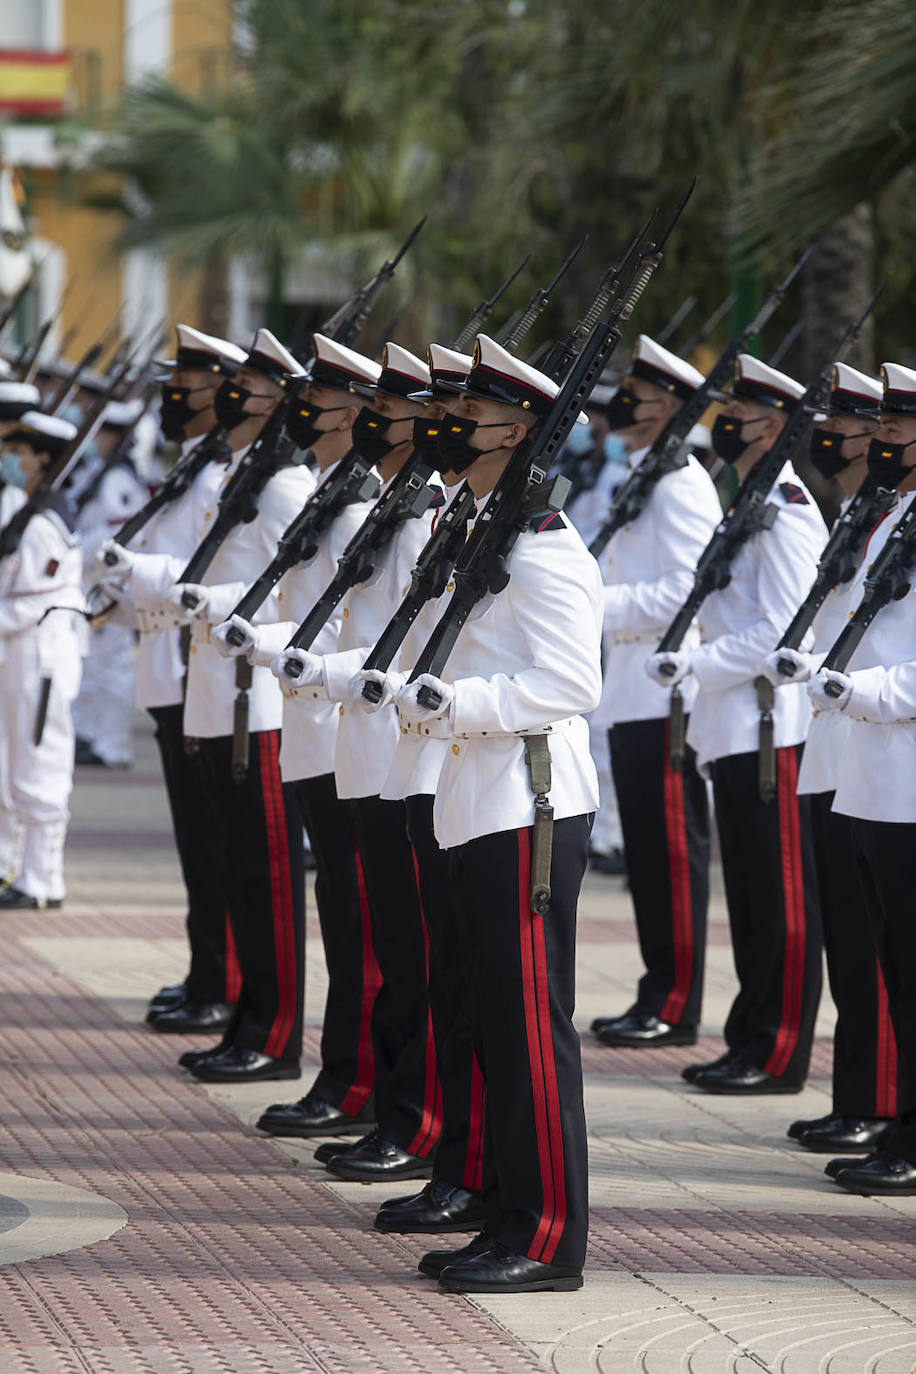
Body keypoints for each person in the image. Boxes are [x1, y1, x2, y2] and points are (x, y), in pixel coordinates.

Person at [387, 333, 603, 1294]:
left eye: (466, 414)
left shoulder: (547, 548)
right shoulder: (486, 527)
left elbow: (570, 681)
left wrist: (454, 706)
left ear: (514, 431)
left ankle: (547, 1235)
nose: (448, 424)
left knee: (528, 1028)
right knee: (483, 1017)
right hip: (476, 798)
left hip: (531, 802)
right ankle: (494, 1204)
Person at [102, 329, 314, 1082]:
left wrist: (193, 596)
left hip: (253, 701)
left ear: (278, 400)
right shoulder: (238, 475)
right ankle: (248, 1018)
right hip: (214, 690)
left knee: (266, 874)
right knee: (234, 866)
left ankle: (275, 1031)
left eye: (246, 389)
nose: (231, 398)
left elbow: (291, 594)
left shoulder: (284, 484)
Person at [272, 343, 446, 1181]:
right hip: (362, 748)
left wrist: (326, 674)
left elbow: (409, 652)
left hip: (399, 752)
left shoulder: (423, 520)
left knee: (406, 954)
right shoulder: (387, 506)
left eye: (388, 408)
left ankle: (406, 1115)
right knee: (369, 934)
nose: (373, 420)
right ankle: (381, 1101)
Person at [211, 333, 383, 1137]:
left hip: (345, 729)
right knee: (341, 911)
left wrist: (272, 645)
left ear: (353, 412)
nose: (301, 410)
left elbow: (359, 629)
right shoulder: (327, 489)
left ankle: (358, 1081)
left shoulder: (362, 509)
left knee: (361, 920)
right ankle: (343, 1075)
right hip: (316, 734)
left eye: (317, 401)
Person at [648, 354, 827, 1095]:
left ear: (776, 424)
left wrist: (697, 662)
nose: (726, 424)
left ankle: (779, 1052)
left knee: (780, 900)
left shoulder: (785, 510)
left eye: (742, 414)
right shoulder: (749, 497)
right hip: (735, 726)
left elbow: (788, 633)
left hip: (768, 730)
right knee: (749, 898)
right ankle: (748, 1038)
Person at [760, 362, 897, 1154]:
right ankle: (860, 1097)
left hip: (870, 746)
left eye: (877, 428)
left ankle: (881, 1104)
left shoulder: (886, 519)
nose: (848, 440)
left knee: (875, 944)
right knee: (848, 939)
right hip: (835, 748)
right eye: (861, 428)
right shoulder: (861, 514)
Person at [103, 324, 247, 1033]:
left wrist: (132, 572)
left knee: (215, 834)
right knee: (197, 836)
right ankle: (205, 972)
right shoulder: (193, 462)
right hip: (169, 666)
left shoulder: (221, 474)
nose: (171, 394)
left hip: (200, 665)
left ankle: (222, 980)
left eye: (183, 384)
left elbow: (205, 574)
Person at [590, 336, 720, 1049]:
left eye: (634, 393)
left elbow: (687, 590)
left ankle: (675, 1003)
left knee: (671, 853)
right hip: (634, 685)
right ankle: (655, 989)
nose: (620, 403)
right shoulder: (647, 473)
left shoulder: (680, 483)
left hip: (666, 688)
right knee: (645, 853)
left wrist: (596, 603)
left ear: (665, 404)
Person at [807, 360, 916, 1196]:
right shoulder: (890, 516)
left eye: (895, 429)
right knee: (891, 960)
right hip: (877, 777)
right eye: (877, 428)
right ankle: (899, 1126)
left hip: (905, 770)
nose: (881, 441)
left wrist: (864, 689)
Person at [0, 411, 84, 909]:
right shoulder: (30, 512)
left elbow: (34, 602)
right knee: (15, 763)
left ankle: (42, 879)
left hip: (40, 657)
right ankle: (20, 867)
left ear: (43, 460)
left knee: (40, 762)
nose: (8, 457)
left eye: (19, 451)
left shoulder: (44, 525)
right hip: (20, 653)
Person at [72, 397, 149, 769]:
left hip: (109, 583)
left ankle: (112, 745)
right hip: (94, 582)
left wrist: (72, 548)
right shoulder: (100, 472)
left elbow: (113, 535)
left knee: (113, 667)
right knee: (93, 667)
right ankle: (91, 735)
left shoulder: (117, 479)